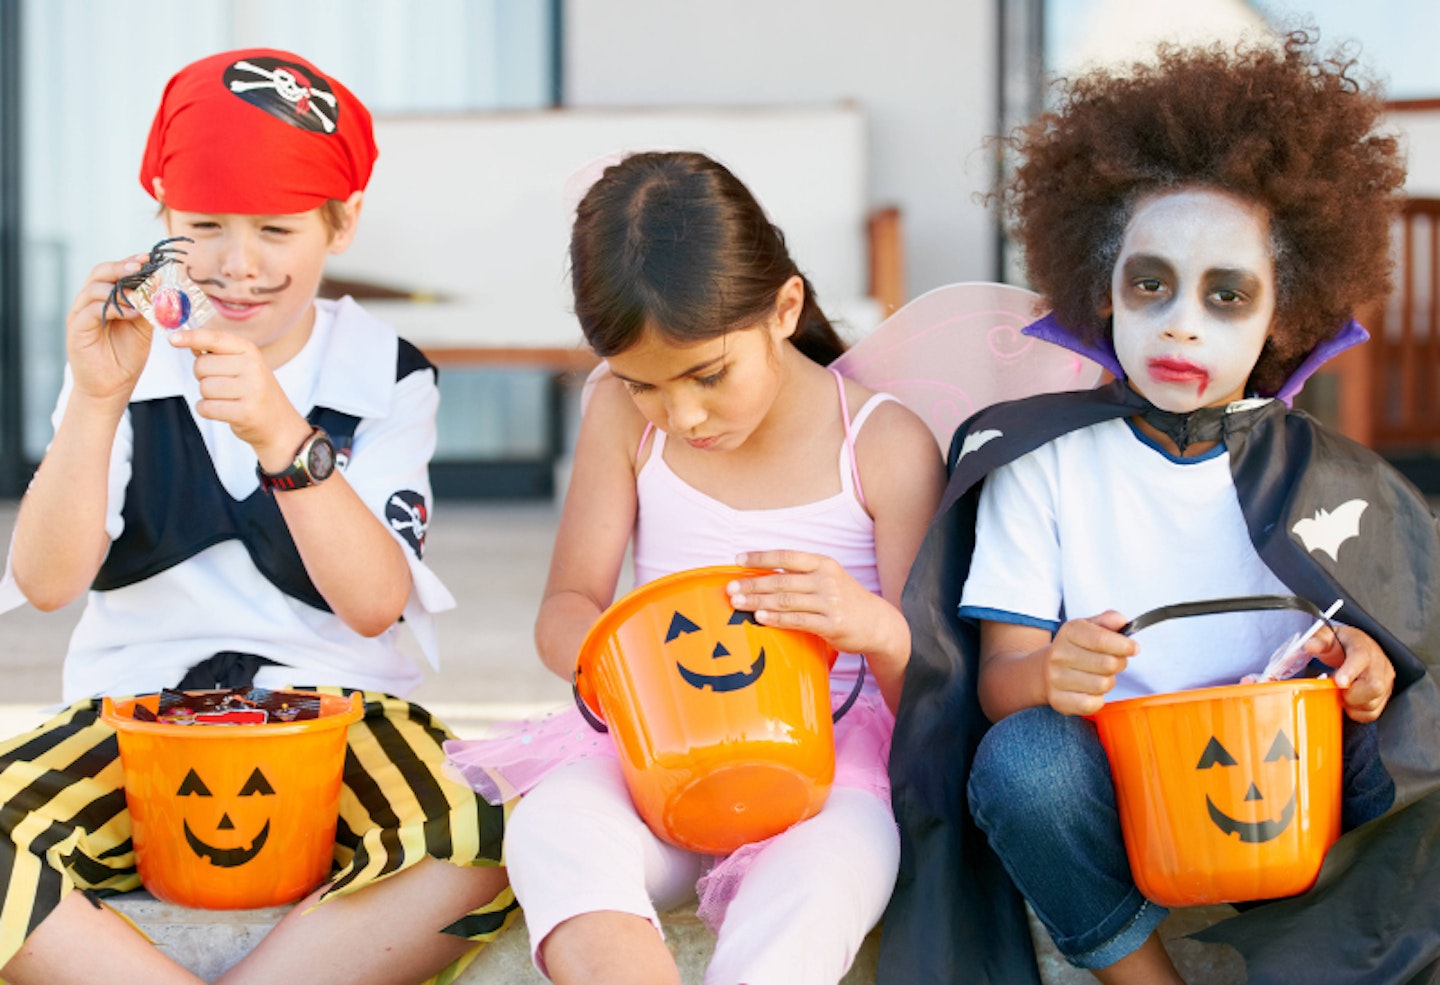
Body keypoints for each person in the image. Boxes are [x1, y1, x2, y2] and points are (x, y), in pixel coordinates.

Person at [881, 32, 1440, 985]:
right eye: (1152, 284)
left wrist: (1368, 671)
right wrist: (1051, 670)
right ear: (1103, 285)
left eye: (1227, 296)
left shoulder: (1329, 478)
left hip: (1288, 793)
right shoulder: (1043, 460)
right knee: (1023, 763)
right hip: (1119, 795)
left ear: (1285, 314)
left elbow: (1389, 677)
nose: (1181, 321)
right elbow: (996, 686)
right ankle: (1145, 977)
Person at [0, 49, 513, 985]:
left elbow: (372, 602)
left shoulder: (381, 371)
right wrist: (96, 398)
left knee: (492, 831)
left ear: (342, 220)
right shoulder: (123, 354)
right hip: (130, 715)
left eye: (277, 229)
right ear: (161, 219)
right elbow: (46, 580)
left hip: (344, 711)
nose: (239, 264)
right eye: (204, 226)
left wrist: (284, 432)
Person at [444, 150, 945, 985]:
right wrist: (625, 667)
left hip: (831, 764)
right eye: (646, 384)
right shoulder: (618, 417)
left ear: (784, 308)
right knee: (552, 829)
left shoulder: (884, 445)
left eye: (707, 374)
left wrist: (873, 628)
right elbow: (567, 605)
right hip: (655, 752)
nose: (682, 414)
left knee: (819, 882)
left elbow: (935, 692)